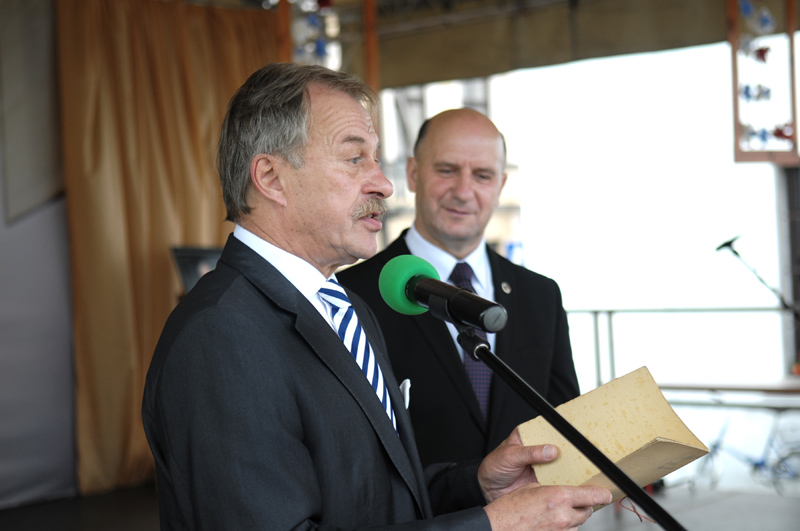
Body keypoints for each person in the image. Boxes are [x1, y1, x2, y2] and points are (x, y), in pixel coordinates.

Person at [142, 63, 610, 530]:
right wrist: (491, 525)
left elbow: (374, 496)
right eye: (354, 158)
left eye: (376, 158)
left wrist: (477, 486)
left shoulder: (348, 309)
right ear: (271, 177)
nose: (383, 184)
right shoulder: (218, 336)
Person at [338, 108, 580, 467]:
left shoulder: (541, 296)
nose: (463, 192)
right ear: (413, 174)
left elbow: (566, 425)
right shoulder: (349, 294)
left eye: (482, 175)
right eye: (447, 170)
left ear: (500, 186)